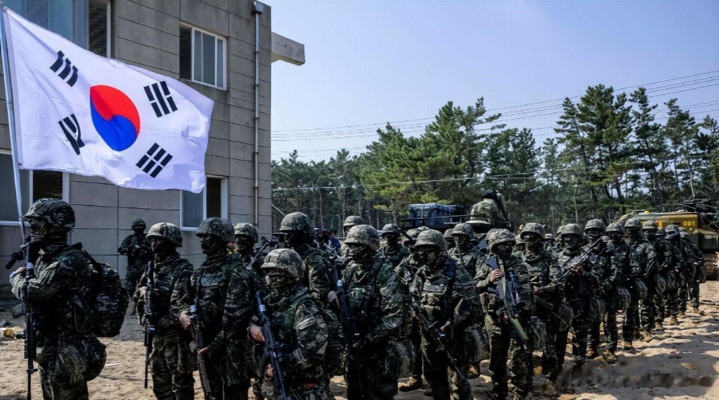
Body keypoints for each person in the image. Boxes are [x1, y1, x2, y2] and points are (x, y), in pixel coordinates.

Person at [10, 199, 106, 400]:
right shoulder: (47, 259)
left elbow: (34, 291)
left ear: (55, 225)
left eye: (37, 222)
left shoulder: (69, 260)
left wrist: (16, 278)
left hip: (68, 347)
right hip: (49, 342)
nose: (32, 227)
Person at [249, 249, 332, 400]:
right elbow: (253, 325)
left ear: (291, 274)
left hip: (304, 388)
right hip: (276, 382)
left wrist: (283, 362)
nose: (271, 277)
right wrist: (253, 330)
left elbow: (313, 352)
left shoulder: (304, 307)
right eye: (268, 272)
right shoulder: (268, 302)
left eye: (276, 273)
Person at [175, 217, 239, 399]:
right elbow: (183, 300)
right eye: (201, 237)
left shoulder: (236, 271)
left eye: (207, 237)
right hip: (205, 345)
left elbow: (237, 316)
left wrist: (215, 345)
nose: (203, 241)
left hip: (230, 350)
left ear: (221, 238)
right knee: (210, 393)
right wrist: (183, 315)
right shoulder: (200, 272)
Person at [342, 225, 407, 399]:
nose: (352, 250)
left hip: (379, 348)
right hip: (354, 346)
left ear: (370, 246)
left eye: (357, 246)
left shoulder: (385, 273)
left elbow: (394, 316)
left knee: (378, 393)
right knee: (355, 391)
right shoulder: (351, 270)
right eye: (350, 245)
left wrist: (369, 338)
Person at [410, 229, 475, 400]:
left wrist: (447, 326)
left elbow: (466, 304)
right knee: (433, 374)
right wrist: (415, 311)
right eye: (420, 249)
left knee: (458, 379)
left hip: (453, 334)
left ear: (439, 250)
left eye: (427, 250)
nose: (422, 253)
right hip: (428, 332)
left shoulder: (456, 272)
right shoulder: (422, 272)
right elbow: (414, 295)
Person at [136, 222, 195, 400]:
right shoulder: (151, 267)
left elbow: (181, 305)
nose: (154, 244)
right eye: (152, 240)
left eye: (159, 240)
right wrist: (142, 292)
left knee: (181, 385)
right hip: (156, 338)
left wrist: (157, 320)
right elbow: (138, 290)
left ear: (171, 241)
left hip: (175, 339)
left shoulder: (182, 268)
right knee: (160, 385)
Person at [476, 229, 535, 399]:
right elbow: (473, 286)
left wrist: (517, 311)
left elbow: (526, 293)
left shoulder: (519, 265)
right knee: (496, 359)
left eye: (509, 244)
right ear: (494, 246)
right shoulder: (487, 264)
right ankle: (499, 392)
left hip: (515, 318)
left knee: (517, 359)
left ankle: (519, 393)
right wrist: (488, 280)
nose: (506, 247)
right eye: (501, 244)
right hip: (494, 319)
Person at [517, 222, 564, 377]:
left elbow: (558, 282)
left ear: (540, 238)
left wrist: (542, 289)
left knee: (549, 343)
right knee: (523, 344)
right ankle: (527, 377)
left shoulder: (550, 258)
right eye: (527, 235)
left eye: (533, 236)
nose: (529, 239)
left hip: (544, 306)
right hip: (523, 307)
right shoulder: (516, 257)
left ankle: (551, 377)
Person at [553, 223, 599, 370]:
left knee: (580, 334)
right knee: (560, 335)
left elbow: (598, 280)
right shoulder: (555, 256)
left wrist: (583, 272)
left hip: (581, 301)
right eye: (566, 237)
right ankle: (558, 365)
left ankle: (579, 364)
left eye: (573, 237)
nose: (569, 240)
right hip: (561, 301)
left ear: (579, 239)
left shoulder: (589, 256)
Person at [279, 212, 335, 306]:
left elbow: (319, 293)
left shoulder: (313, 258)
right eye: (284, 233)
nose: (286, 237)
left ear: (303, 234)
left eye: (291, 233)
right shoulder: (289, 256)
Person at [624, 218, 657, 343]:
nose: (630, 231)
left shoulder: (646, 245)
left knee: (645, 305)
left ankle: (647, 330)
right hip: (629, 280)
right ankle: (635, 330)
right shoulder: (624, 244)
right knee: (630, 308)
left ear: (639, 230)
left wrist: (645, 275)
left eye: (633, 229)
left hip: (644, 279)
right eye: (628, 229)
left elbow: (652, 260)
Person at [119, 219, 153, 309]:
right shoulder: (130, 239)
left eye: (141, 226)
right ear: (133, 228)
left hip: (145, 267)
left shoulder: (148, 239)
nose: (139, 228)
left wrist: (145, 248)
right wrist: (129, 248)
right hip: (133, 267)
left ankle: (145, 304)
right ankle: (136, 301)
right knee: (129, 286)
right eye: (137, 226)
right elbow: (121, 249)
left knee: (146, 286)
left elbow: (155, 250)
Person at [679, 227, 705, 314]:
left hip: (692, 271)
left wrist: (698, 263)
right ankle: (681, 309)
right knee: (682, 290)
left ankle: (694, 307)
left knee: (693, 290)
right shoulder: (676, 247)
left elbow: (701, 258)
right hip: (682, 271)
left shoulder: (692, 246)